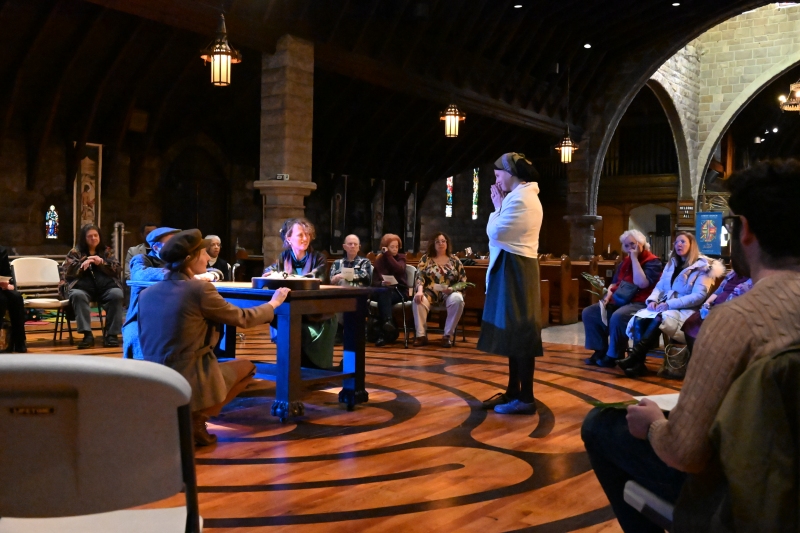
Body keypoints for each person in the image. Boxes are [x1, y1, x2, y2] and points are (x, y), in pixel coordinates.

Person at [581, 159, 800, 532]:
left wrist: (653, 425)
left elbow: (685, 452)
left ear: (745, 230)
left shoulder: (736, 320)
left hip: (746, 499)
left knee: (600, 425)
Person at [138, 229, 290, 446]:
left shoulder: (146, 294)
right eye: (203, 253)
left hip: (156, 377)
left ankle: (182, 418)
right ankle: (196, 419)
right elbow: (243, 318)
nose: (208, 258)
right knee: (247, 367)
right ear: (190, 259)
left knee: (221, 363)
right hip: (190, 375)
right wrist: (273, 303)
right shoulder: (199, 289)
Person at [477, 152, 543, 415]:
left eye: (498, 175)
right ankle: (513, 391)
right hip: (511, 266)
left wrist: (497, 208)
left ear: (511, 173)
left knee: (521, 333)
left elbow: (495, 232)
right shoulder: (517, 196)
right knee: (513, 334)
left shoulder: (523, 199)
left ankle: (526, 398)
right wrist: (500, 207)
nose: (496, 181)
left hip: (517, 268)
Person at [616, 232, 723, 377]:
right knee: (640, 318)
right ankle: (638, 364)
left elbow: (698, 296)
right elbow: (660, 287)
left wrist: (669, 304)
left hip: (686, 309)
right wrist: (652, 300)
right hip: (666, 305)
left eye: (683, 242)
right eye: (676, 242)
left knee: (659, 318)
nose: (678, 244)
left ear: (692, 245)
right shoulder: (671, 264)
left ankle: (634, 357)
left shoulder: (703, 267)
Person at [582, 230, 662, 367]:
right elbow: (615, 283)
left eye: (632, 244)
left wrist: (635, 259)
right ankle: (600, 349)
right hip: (621, 299)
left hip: (641, 302)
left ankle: (614, 354)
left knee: (618, 316)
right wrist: (608, 295)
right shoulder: (625, 261)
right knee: (590, 312)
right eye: (626, 245)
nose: (629, 248)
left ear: (641, 244)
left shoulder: (653, 262)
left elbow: (642, 283)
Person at [264, 218, 336, 369]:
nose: (305, 238)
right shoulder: (283, 257)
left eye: (307, 234)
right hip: (292, 308)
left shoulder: (319, 258)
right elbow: (270, 271)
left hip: (315, 311)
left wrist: (288, 277)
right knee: (279, 317)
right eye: (300, 235)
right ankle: (290, 368)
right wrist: (271, 274)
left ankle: (315, 368)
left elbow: (315, 278)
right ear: (289, 238)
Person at [121, 226, 180, 360]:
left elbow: (206, 269)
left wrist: (214, 274)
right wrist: (176, 274)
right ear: (156, 247)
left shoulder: (179, 262)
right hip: (141, 319)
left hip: (169, 318)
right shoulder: (141, 259)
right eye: (171, 243)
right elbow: (139, 274)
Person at [63, 224, 125, 349]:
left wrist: (102, 262)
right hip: (82, 288)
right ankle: (87, 335)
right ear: (84, 238)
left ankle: (112, 335)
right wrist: (83, 263)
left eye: (96, 235)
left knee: (116, 294)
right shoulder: (75, 252)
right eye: (90, 236)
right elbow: (67, 271)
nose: (93, 238)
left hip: (105, 288)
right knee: (77, 295)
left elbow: (118, 269)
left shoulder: (107, 251)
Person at [680, 259, 751, 352]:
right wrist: (707, 303)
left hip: (728, 314)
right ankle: (693, 355)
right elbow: (718, 292)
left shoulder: (752, 280)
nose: (731, 261)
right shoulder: (732, 274)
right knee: (691, 322)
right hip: (714, 308)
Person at [412, 232, 467, 348]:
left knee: (458, 300)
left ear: (447, 243)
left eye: (443, 241)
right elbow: (420, 276)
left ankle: (447, 336)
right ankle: (421, 335)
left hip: (449, 292)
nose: (441, 244)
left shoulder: (455, 260)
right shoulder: (426, 259)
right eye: (437, 242)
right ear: (433, 244)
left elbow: (463, 281)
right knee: (418, 300)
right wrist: (420, 291)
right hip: (430, 291)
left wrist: (452, 288)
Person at [370, 233, 408, 347]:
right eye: (392, 247)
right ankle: (387, 324)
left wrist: (388, 255)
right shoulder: (379, 260)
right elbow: (374, 282)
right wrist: (381, 283)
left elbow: (399, 270)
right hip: (383, 290)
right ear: (385, 247)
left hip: (399, 291)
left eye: (397, 246)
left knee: (384, 294)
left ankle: (385, 330)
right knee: (384, 291)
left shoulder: (401, 258)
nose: (395, 249)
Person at [0, 245, 26, 353]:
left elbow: (6, 273)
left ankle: (19, 342)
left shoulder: (1, 250)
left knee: (16, 298)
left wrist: (6, 283)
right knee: (1, 300)